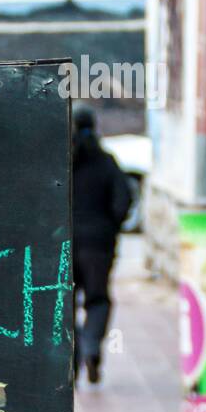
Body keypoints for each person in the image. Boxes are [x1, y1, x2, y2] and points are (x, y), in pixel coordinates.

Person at [72, 105, 132, 385]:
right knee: (98, 299)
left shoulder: (64, 162)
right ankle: (92, 346)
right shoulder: (107, 162)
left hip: (65, 244)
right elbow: (123, 199)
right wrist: (111, 226)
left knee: (64, 303)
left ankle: (71, 360)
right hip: (99, 244)